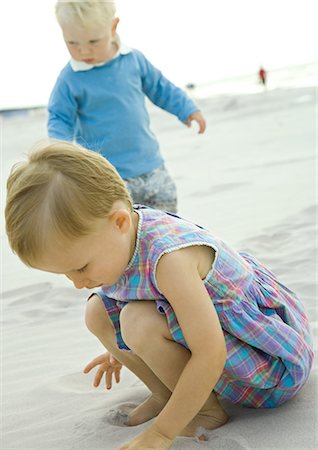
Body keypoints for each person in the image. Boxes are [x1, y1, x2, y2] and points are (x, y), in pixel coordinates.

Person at [5, 140, 313, 450]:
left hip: (264, 362)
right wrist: (119, 348)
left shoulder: (170, 260)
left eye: (81, 267)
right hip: (211, 337)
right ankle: (166, 394)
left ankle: (205, 410)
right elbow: (135, 293)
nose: (76, 282)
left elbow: (210, 351)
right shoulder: (117, 239)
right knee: (97, 312)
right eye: (65, 274)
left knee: (137, 321)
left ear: (120, 222)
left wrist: (161, 435)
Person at [48, 0, 206, 213]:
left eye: (93, 41)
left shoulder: (133, 60)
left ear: (113, 28)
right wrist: (61, 151)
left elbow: (161, 88)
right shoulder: (70, 78)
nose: (84, 50)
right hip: (108, 177)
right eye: (72, 43)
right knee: (124, 229)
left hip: (152, 165)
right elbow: (59, 118)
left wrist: (187, 109)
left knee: (167, 216)